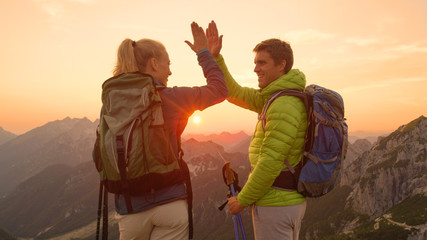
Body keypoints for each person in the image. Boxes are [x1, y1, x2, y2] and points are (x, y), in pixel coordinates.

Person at [110, 22, 227, 240]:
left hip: (129, 209)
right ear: (154, 64)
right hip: (169, 204)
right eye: (168, 64)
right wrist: (204, 53)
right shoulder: (171, 97)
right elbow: (220, 90)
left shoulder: (114, 103)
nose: (170, 70)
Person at [206, 21, 307, 240]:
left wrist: (242, 200)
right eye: (255, 62)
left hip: (277, 204)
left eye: (262, 63)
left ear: (282, 65)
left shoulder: (284, 105)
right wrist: (216, 58)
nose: (255, 69)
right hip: (279, 202)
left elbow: (270, 162)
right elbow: (233, 92)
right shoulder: (273, 98)